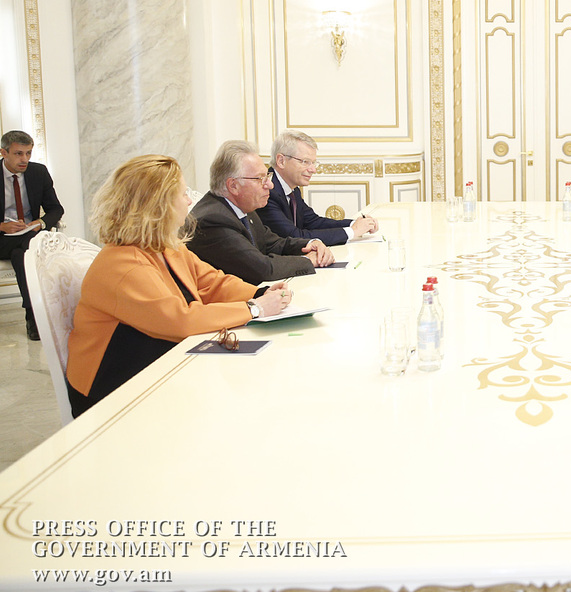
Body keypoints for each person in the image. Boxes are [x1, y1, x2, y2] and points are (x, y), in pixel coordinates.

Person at [66, 155, 291, 417]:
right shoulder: (121, 263)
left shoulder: (165, 246)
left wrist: (260, 293)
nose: (189, 201)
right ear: (158, 204)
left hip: (159, 364)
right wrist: (254, 308)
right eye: (183, 193)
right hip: (114, 388)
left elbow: (212, 283)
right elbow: (179, 321)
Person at [190, 140, 335, 283]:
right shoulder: (213, 220)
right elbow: (261, 268)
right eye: (260, 179)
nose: (270, 185)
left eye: (267, 176)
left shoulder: (244, 208)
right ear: (233, 185)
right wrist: (307, 260)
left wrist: (311, 244)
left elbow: (274, 244)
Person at [0, 130, 65, 340]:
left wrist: (40, 222)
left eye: (28, 153)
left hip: (28, 236)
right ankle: (36, 316)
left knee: (22, 254)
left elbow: (56, 209)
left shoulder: (38, 172)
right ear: (4, 153)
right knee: (29, 246)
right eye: (19, 154)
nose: (25, 159)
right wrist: (1, 226)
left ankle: (32, 316)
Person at [260, 130, 379, 245]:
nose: (313, 170)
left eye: (313, 163)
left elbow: (313, 222)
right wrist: (353, 231)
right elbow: (294, 236)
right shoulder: (266, 192)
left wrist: (355, 224)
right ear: (281, 161)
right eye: (305, 162)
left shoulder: (292, 189)